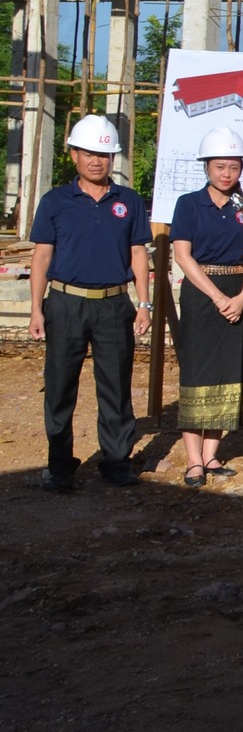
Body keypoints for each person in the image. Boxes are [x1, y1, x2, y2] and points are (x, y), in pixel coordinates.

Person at [27, 115, 152, 493]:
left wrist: (144, 304)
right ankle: (59, 465)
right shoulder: (55, 201)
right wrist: (36, 308)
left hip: (114, 305)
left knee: (115, 385)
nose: (96, 161)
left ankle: (116, 462)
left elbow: (138, 254)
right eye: (88, 153)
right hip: (65, 303)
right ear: (74, 155)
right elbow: (42, 256)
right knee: (59, 386)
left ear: (113, 158)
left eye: (104, 155)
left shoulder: (128, 201)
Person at [168, 127, 243, 486]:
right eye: (220, 166)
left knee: (229, 372)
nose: (227, 173)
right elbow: (183, 255)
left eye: (233, 167)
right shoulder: (189, 204)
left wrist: (241, 297)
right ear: (207, 167)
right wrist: (218, 297)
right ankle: (193, 460)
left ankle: (211, 455)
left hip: (238, 294)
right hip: (202, 294)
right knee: (198, 372)